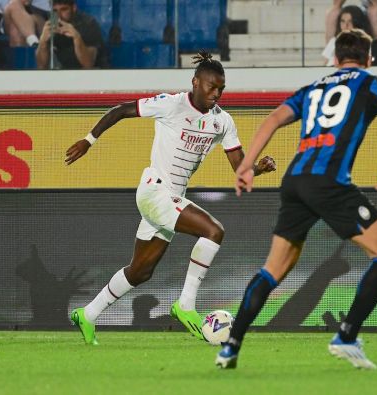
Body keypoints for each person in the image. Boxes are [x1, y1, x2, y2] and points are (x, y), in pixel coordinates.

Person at [215, 29, 377, 370]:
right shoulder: (372, 82)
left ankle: (230, 347)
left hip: (294, 181)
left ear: (335, 59)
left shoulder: (313, 88)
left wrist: (246, 166)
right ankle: (346, 337)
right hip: (330, 182)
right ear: (369, 58)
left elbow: (273, 119)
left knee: (273, 269)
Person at [65, 51, 277, 345]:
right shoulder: (171, 104)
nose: (216, 94)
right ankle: (186, 304)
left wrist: (258, 169)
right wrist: (89, 140)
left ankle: (87, 314)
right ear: (195, 82)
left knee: (140, 271)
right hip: (155, 191)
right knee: (213, 232)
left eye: (221, 89)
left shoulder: (223, 122)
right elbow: (120, 110)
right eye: (211, 87)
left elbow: (239, 168)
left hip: (171, 199)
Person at [35, 0, 104, 69]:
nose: (59, 16)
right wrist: (43, 41)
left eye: (64, 9)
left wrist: (77, 38)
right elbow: (41, 66)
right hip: (62, 73)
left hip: (93, 74)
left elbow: (88, 64)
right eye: (55, 11)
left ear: (74, 8)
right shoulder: (49, 23)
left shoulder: (88, 24)